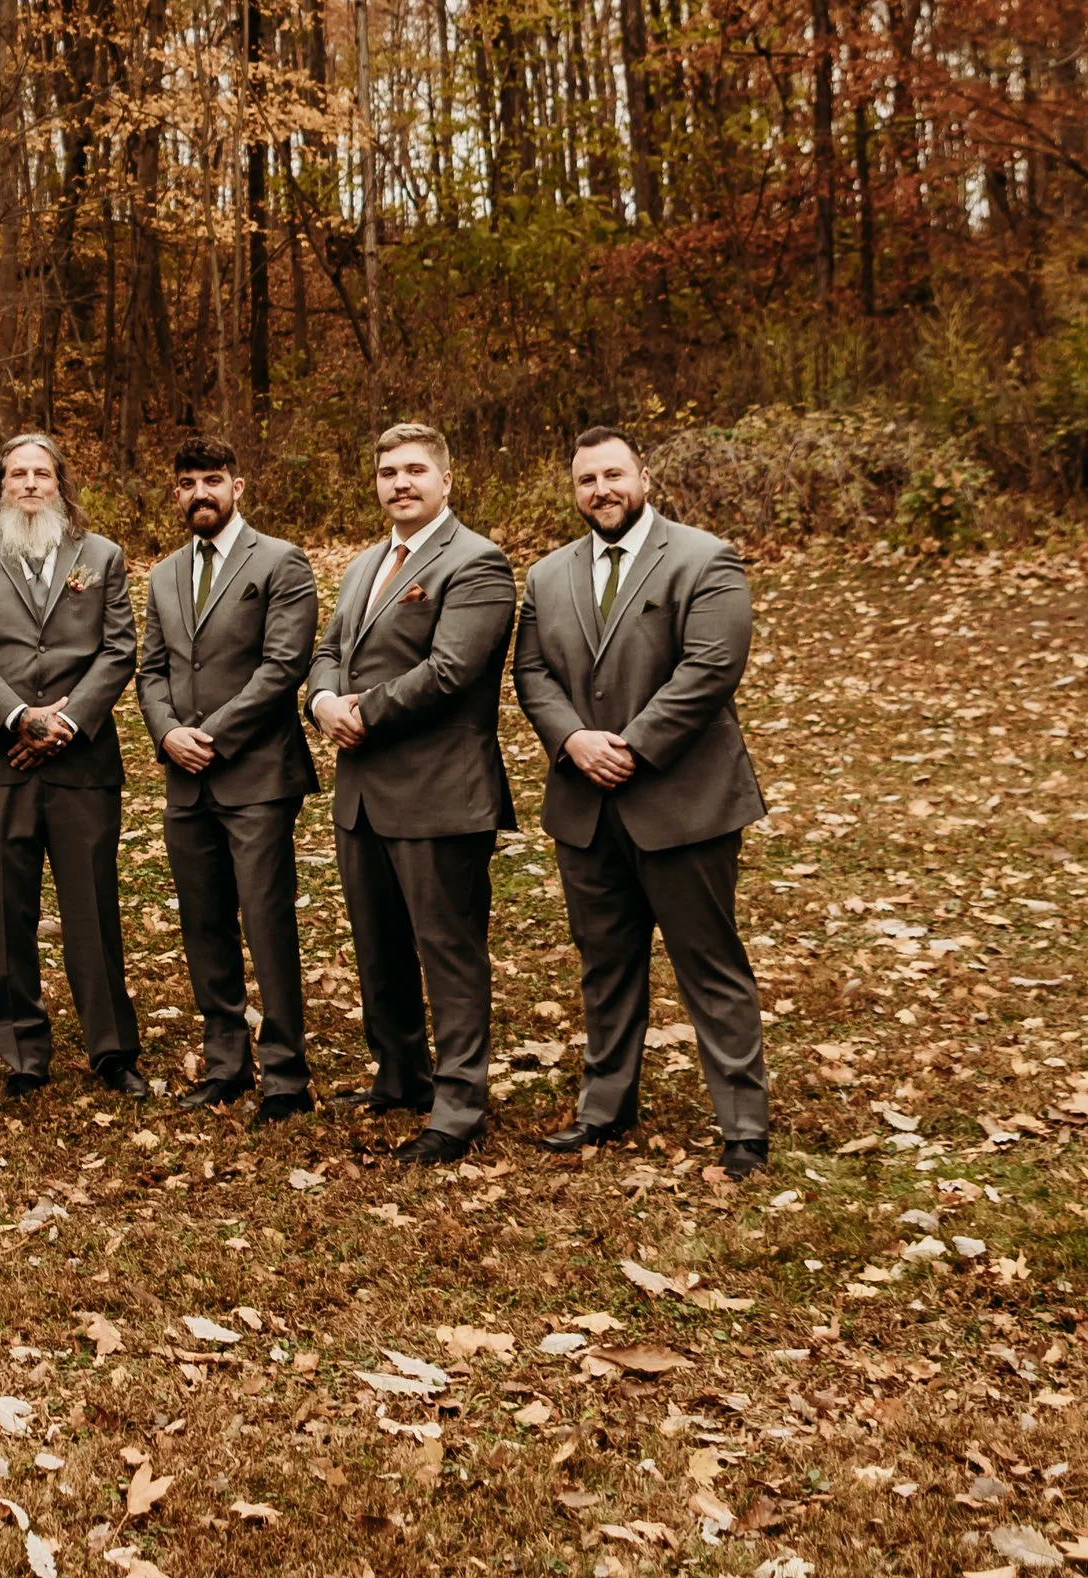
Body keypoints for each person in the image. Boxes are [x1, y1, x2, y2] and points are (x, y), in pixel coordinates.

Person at [513, 423, 772, 1178]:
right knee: (605, 962)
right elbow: (533, 674)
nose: (602, 490)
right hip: (585, 804)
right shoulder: (548, 575)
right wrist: (573, 742)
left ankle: (744, 1126)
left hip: (683, 800)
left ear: (643, 476)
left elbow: (712, 668)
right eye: (588, 480)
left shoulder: (704, 559)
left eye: (614, 475)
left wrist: (627, 745)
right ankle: (605, 1108)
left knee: (709, 961)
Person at [305, 419, 516, 1164]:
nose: (400, 482)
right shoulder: (367, 565)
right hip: (363, 793)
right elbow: (330, 647)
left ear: (447, 480)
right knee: (379, 945)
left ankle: (458, 1107)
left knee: (449, 952)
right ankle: (402, 1075)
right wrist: (323, 701)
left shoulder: (478, 563)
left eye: (415, 470)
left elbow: (453, 669)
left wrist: (363, 711)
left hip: (439, 792)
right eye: (389, 471)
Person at [0, 428, 145, 1103]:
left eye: (41, 474)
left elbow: (118, 650)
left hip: (80, 760)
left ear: (62, 485)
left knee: (91, 908)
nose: (29, 484)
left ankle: (113, 1050)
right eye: (16, 475)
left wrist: (62, 721)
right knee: (5, 912)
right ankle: (23, 1051)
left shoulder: (102, 556)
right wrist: (16, 719)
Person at [136, 430, 320, 1115]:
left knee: (267, 921)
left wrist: (210, 736)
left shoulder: (281, 562)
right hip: (185, 778)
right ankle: (225, 1063)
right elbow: (151, 670)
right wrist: (167, 734)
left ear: (237, 486)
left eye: (211, 480)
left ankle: (286, 1075)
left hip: (257, 776)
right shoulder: (160, 574)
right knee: (203, 921)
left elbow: (282, 667)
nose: (199, 493)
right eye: (186, 483)